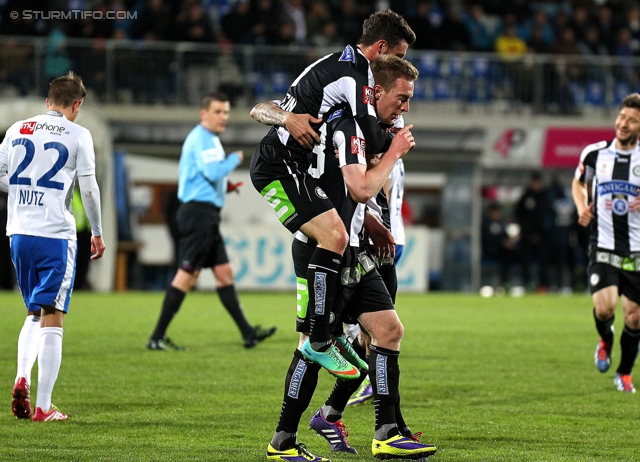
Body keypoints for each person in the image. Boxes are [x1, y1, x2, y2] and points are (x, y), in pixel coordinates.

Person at [261, 55, 436, 461]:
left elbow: (355, 192)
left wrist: (371, 218)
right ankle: (283, 439)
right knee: (310, 345)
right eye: (402, 97)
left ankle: (388, 432)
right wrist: (392, 154)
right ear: (376, 90)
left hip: (355, 247)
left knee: (389, 330)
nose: (406, 106)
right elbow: (359, 186)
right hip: (324, 249)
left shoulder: (366, 126)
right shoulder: (349, 124)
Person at [249, 9, 416, 379]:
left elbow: (266, 107)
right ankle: (321, 339)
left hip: (298, 171)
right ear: (382, 47)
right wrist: (393, 144)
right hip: (277, 168)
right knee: (334, 235)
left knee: (338, 233)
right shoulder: (353, 73)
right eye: (399, 56)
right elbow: (372, 138)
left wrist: (370, 217)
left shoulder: (332, 67)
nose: (399, 64)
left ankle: (328, 337)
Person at [0, 71, 106, 421]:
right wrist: (97, 231)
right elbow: (88, 189)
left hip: (18, 233)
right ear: (77, 104)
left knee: (33, 310)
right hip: (55, 235)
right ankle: (43, 406)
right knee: (53, 314)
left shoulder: (17, 129)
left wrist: (19, 190)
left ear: (48, 101)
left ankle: (20, 376)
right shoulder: (79, 134)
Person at [147, 93, 276, 351]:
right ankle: (157, 337)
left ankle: (248, 333)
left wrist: (224, 187)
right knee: (186, 276)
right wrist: (234, 159)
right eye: (217, 112)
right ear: (203, 113)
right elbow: (211, 171)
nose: (223, 117)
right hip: (198, 215)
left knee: (224, 274)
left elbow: (200, 177)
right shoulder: (203, 140)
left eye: (226, 112)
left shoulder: (207, 140)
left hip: (204, 213)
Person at [572, 92, 640, 393]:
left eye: (632, 120)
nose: (623, 124)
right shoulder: (595, 154)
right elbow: (578, 181)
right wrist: (582, 206)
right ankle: (605, 338)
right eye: (622, 117)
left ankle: (624, 373)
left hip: (637, 249)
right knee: (604, 308)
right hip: (603, 243)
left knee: (635, 317)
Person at [515, 172, 554, 292]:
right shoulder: (526, 196)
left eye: (537, 182)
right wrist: (526, 232)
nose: (535, 185)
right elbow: (518, 215)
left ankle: (543, 285)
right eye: (533, 182)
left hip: (543, 236)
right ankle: (527, 284)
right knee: (525, 260)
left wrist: (541, 232)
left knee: (543, 261)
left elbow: (549, 216)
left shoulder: (546, 196)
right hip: (527, 235)